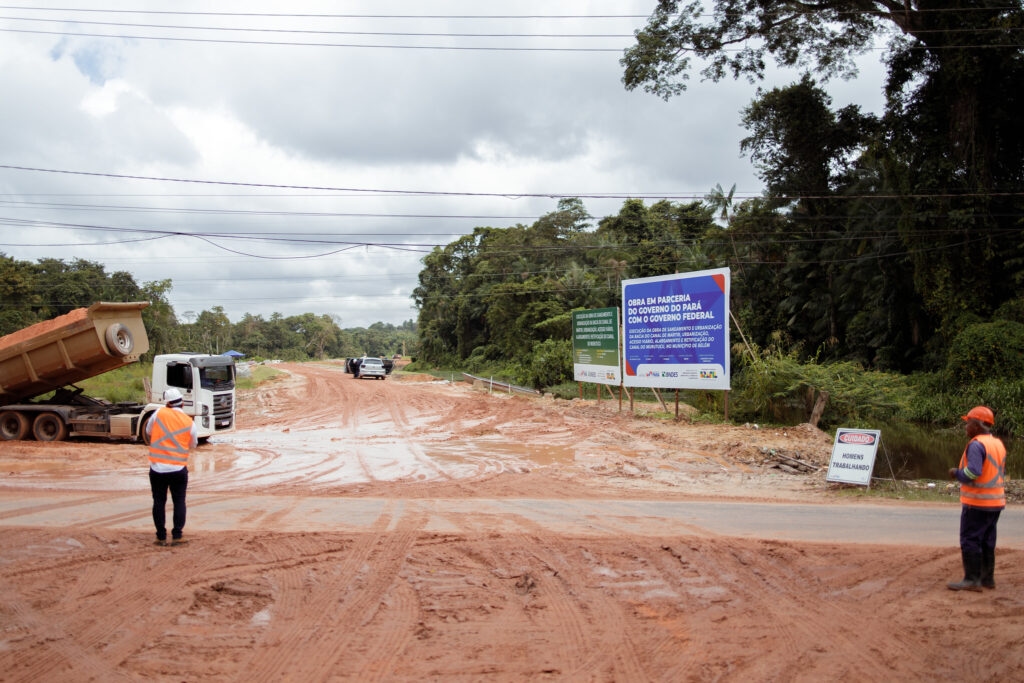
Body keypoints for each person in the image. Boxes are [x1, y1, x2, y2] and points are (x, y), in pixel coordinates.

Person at [947, 405, 1006, 591]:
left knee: (970, 539)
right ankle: (987, 579)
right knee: (987, 540)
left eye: (968, 423)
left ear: (977, 425)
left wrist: (956, 473)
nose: (965, 427)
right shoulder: (997, 443)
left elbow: (973, 471)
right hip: (995, 502)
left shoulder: (976, 444)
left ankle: (971, 579)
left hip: (978, 502)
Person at [146, 387, 198, 546]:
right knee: (179, 501)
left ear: (167, 403)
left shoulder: (158, 413)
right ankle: (177, 536)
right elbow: (193, 444)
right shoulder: (189, 421)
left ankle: (160, 537)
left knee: (159, 502)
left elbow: (148, 431)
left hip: (157, 468)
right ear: (182, 403)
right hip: (178, 468)